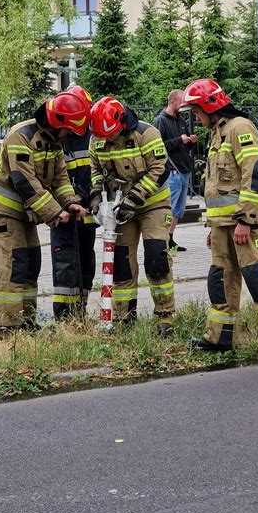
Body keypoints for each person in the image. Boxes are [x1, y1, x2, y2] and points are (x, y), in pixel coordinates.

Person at [180, 78, 258, 367]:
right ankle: (219, 338)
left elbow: (253, 174)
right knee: (220, 280)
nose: (194, 117)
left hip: (246, 223)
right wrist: (213, 225)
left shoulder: (239, 128)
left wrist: (245, 219)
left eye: (196, 110)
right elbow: (218, 186)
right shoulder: (216, 133)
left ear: (209, 106)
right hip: (223, 226)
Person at [0, 92, 90, 339]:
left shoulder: (53, 140)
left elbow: (60, 178)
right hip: (5, 211)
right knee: (14, 264)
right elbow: (25, 181)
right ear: (57, 123)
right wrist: (54, 212)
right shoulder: (21, 136)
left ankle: (26, 321)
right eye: (67, 130)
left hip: (25, 212)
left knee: (31, 262)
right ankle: (7, 327)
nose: (68, 136)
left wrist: (70, 202)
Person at [89, 96, 175, 335]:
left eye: (110, 136)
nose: (106, 141)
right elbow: (96, 170)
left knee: (157, 254)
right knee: (122, 262)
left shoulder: (146, 134)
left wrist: (135, 199)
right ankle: (124, 315)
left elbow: (160, 169)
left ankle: (165, 316)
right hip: (119, 207)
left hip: (152, 204)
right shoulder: (97, 139)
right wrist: (96, 197)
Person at [50, 85, 97, 320]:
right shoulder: (58, 137)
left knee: (86, 263)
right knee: (65, 265)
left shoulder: (93, 136)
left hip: (87, 214)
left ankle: (81, 311)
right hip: (63, 213)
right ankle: (65, 317)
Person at [153, 89, 198, 251]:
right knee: (169, 208)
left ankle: (170, 238)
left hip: (184, 169)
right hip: (172, 170)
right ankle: (162, 239)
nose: (183, 106)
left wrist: (191, 141)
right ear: (172, 102)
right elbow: (158, 147)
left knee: (178, 210)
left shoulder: (180, 121)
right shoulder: (161, 121)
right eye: (181, 102)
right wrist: (180, 140)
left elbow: (185, 144)